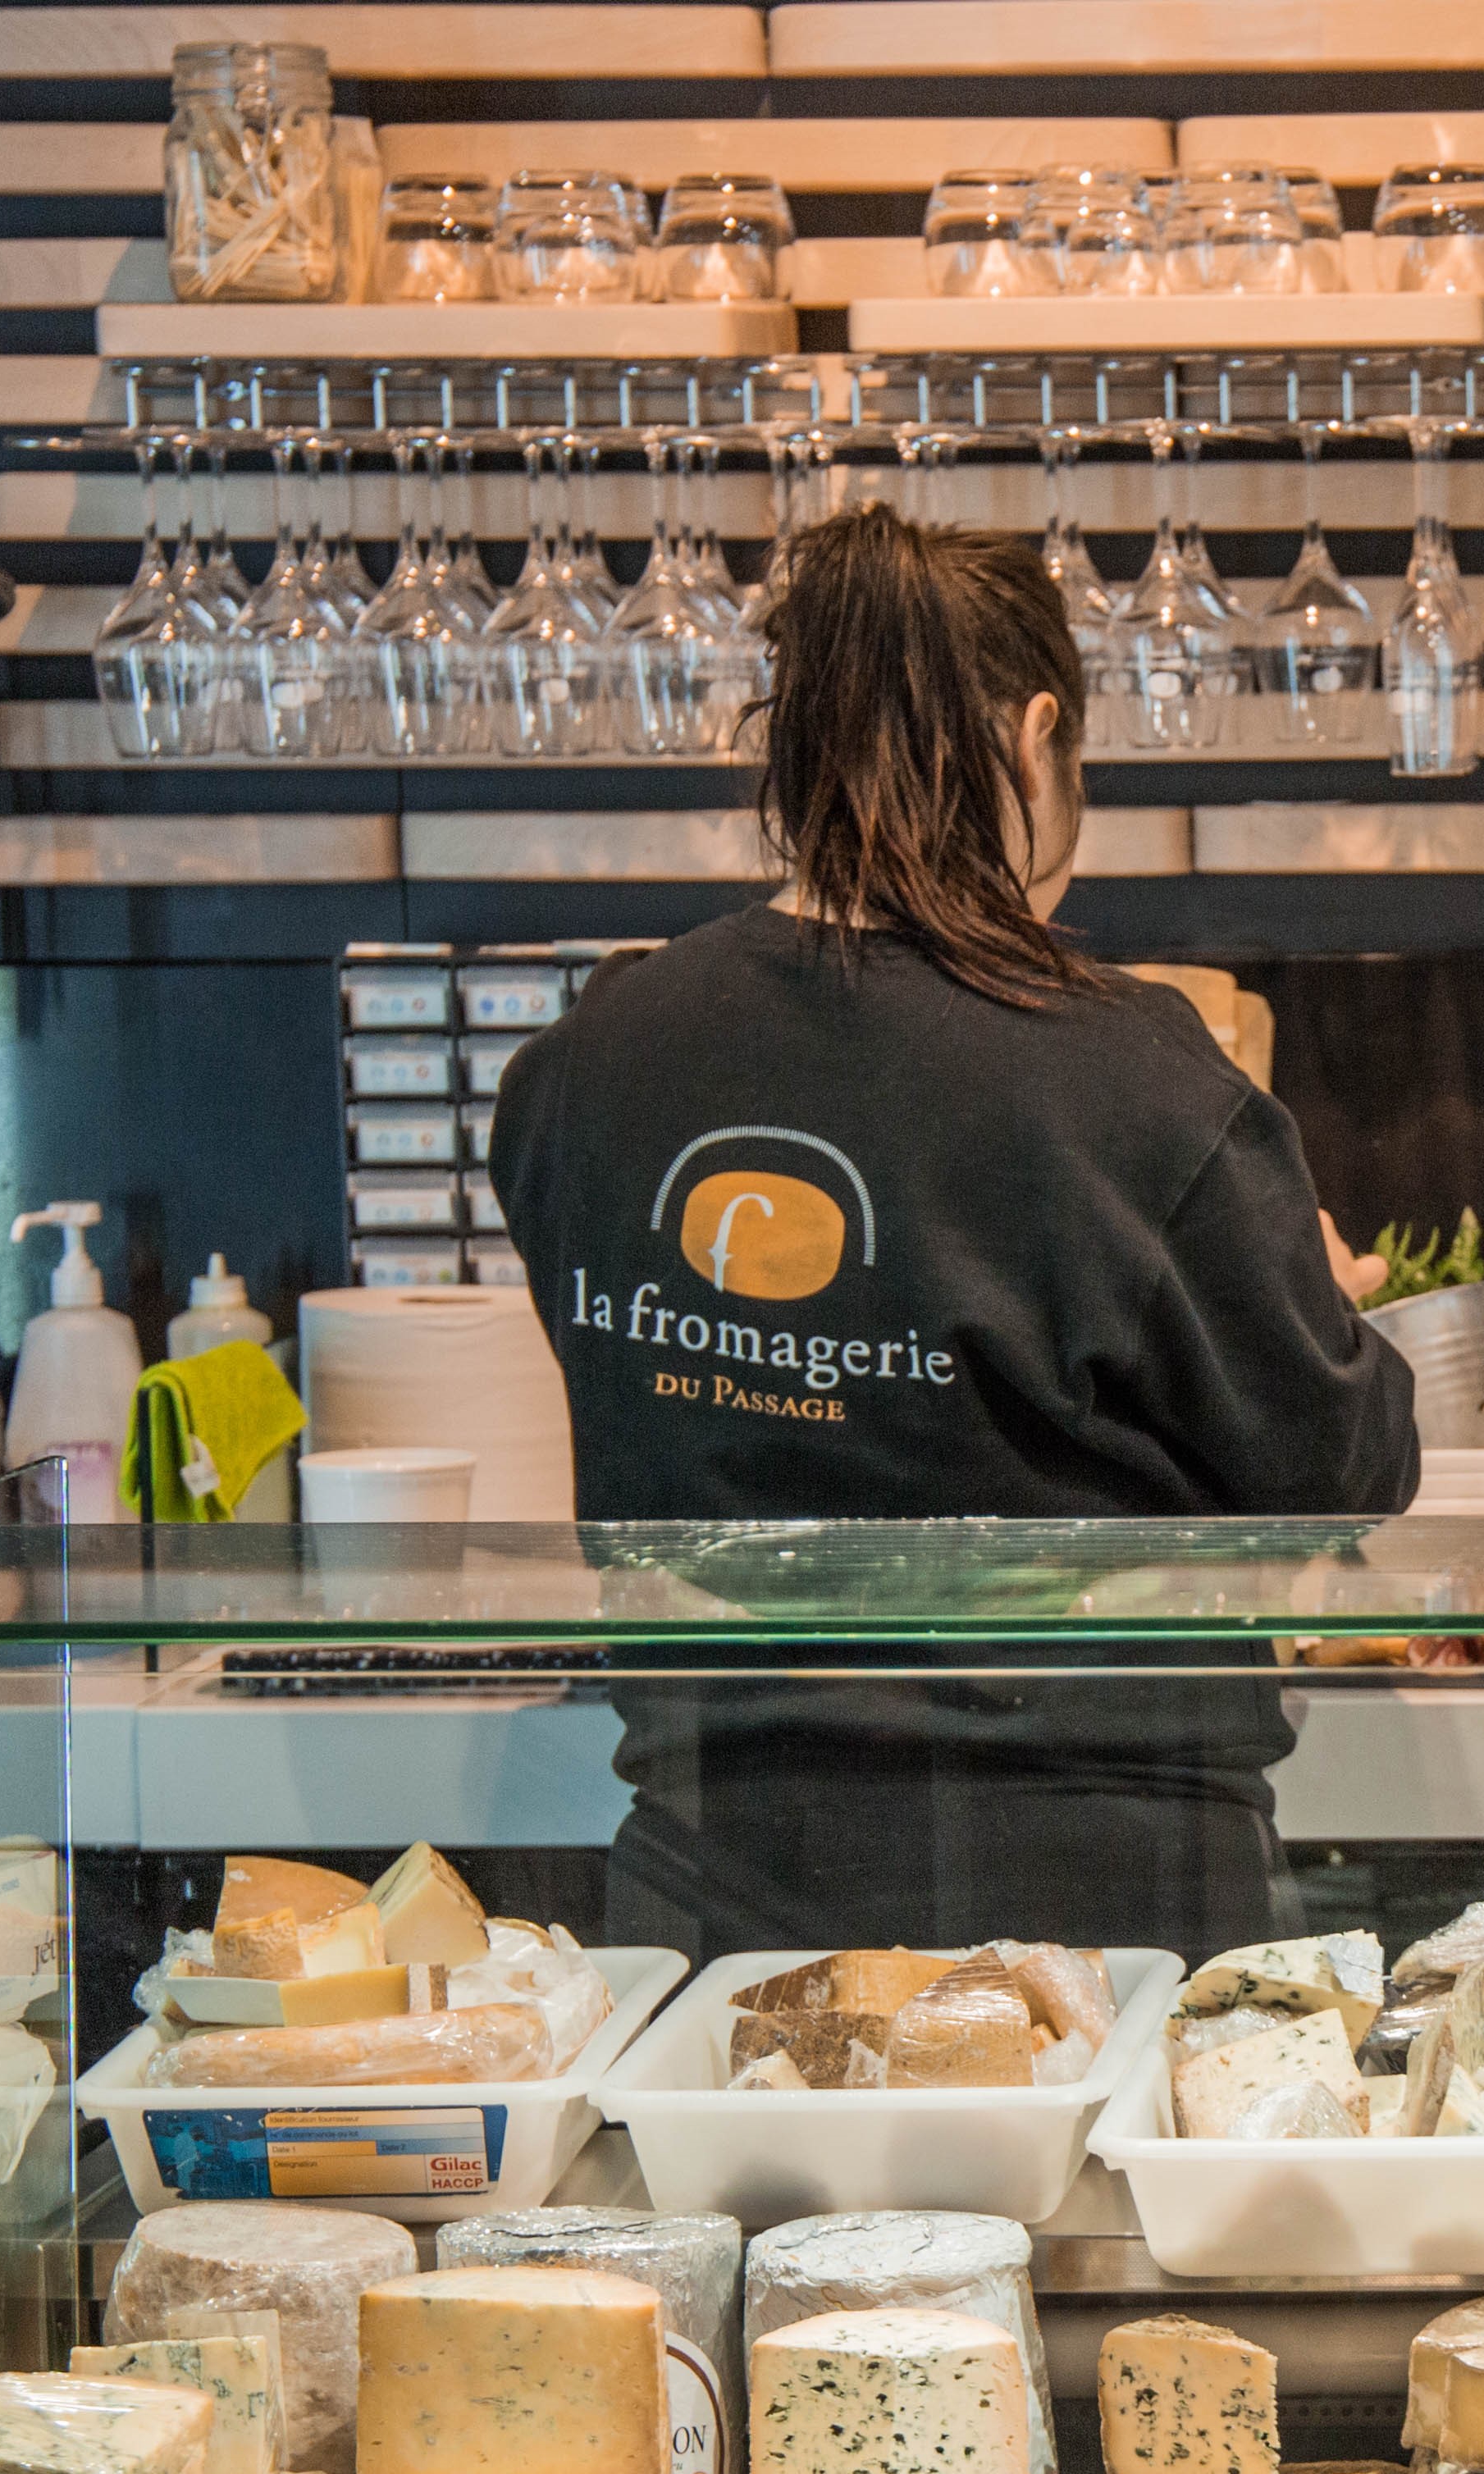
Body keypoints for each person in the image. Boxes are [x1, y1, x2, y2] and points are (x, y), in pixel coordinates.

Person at [490, 500, 1419, 1957]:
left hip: (706, 1894)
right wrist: (1316, 1293)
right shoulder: (1135, 1083)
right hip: (1101, 1910)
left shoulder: (584, 1067)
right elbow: (1341, 1469)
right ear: (1038, 736)